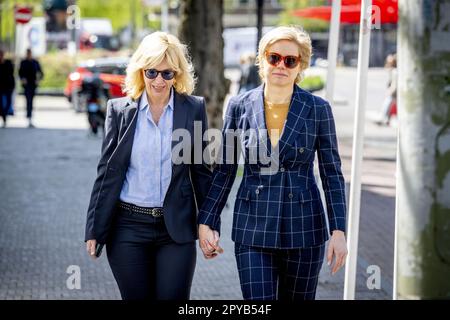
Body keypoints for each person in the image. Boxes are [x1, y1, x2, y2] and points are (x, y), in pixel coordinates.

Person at [198, 26, 348, 300]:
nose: (281, 65)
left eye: (290, 60)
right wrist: (208, 220)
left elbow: (331, 174)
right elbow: (225, 169)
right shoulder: (239, 106)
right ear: (262, 60)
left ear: (300, 65)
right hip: (253, 227)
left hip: (304, 229)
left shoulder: (318, 109)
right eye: (274, 57)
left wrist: (338, 230)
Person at [84, 31, 212, 300]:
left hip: (175, 230)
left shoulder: (193, 109)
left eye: (167, 74)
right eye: (152, 72)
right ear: (141, 71)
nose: (159, 80)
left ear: (177, 75)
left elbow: (201, 173)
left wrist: (209, 224)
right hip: (127, 229)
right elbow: (107, 172)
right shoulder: (119, 111)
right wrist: (94, 229)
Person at [19, 48, 43, 128]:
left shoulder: (35, 62)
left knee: (31, 101)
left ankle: (30, 117)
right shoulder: (23, 62)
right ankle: (28, 116)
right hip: (26, 85)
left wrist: (38, 80)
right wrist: (22, 79)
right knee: (28, 100)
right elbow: (20, 73)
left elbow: (41, 73)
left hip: (33, 84)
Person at [376, 53, 397, 125]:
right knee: (388, 101)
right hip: (394, 93)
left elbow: (394, 86)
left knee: (388, 101)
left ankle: (384, 117)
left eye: (389, 63)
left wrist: (390, 92)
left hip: (395, 94)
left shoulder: (395, 72)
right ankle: (386, 117)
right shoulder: (392, 71)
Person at [0, 50, 15, 128]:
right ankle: (3, 116)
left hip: (8, 86)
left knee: (9, 102)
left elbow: (11, 73)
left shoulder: (8, 63)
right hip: (0, 87)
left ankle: (4, 114)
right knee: (0, 104)